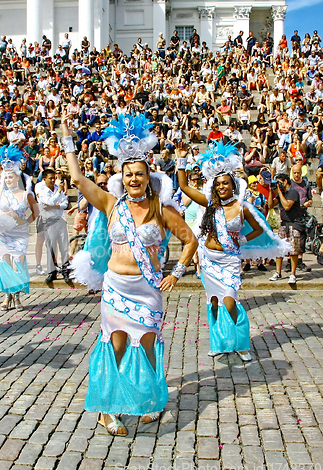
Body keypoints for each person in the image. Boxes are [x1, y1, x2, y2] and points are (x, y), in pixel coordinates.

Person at [63, 112, 197, 435]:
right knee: (117, 346)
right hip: (116, 288)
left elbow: (190, 240)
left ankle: (148, 400)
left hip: (147, 288)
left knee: (148, 346)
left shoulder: (162, 211)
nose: (133, 179)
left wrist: (176, 273)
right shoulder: (111, 204)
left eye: (138, 174)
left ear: (148, 176)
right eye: (128, 174)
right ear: (121, 176)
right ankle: (107, 411)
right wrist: (66, 139)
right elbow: (79, 181)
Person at [177, 141, 286, 361]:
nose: (222, 187)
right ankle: (219, 344)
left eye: (226, 183)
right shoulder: (210, 204)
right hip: (209, 260)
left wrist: (243, 239)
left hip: (229, 261)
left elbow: (258, 228)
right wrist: (181, 160)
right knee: (214, 303)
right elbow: (184, 187)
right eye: (218, 184)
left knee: (230, 302)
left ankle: (242, 344)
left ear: (233, 184)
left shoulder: (242, 206)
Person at [0, 146, 39, 310]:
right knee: (4, 265)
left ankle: (16, 296)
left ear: (17, 177)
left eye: (11, 177)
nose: (9, 180)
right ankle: (7, 296)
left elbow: (36, 212)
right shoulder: (0, 192)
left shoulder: (26, 194)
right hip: (1, 235)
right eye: (6, 177)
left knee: (17, 264)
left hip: (19, 235)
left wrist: (24, 222)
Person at [36, 169, 72, 285]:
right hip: (49, 221)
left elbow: (65, 203)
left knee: (64, 246)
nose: (52, 180)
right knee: (51, 247)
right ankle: (52, 272)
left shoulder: (58, 188)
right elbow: (48, 202)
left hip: (60, 219)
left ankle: (66, 270)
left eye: (53, 178)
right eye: (50, 178)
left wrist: (55, 206)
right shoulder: (43, 191)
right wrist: (56, 202)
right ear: (45, 179)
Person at [268, 173, 307, 284]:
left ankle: (293, 274)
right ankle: (278, 272)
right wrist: (271, 191)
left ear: (285, 182)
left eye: (280, 182)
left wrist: (279, 192)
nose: (278, 185)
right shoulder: (281, 194)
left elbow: (287, 206)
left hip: (295, 224)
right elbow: (270, 205)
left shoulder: (293, 192)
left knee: (293, 251)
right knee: (279, 249)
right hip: (284, 224)